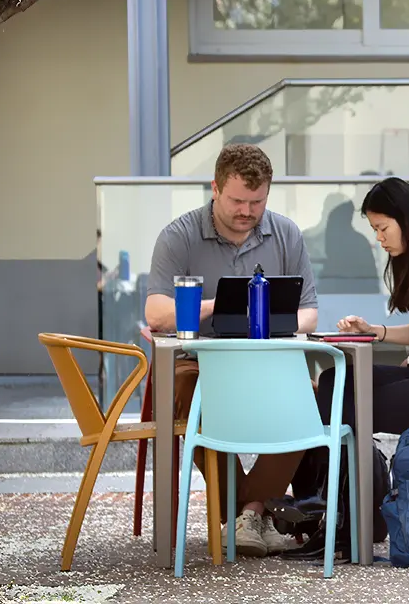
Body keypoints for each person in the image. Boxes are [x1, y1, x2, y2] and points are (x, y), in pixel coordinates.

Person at [276, 177, 409, 558]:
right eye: (374, 229)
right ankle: (345, 513)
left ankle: (343, 523)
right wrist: (374, 331)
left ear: (405, 220)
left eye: (382, 227)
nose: (379, 237)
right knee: (333, 381)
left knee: (352, 402)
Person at [144, 143, 318, 557]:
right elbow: (156, 312)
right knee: (192, 399)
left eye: (257, 202)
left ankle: (249, 513)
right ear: (215, 188)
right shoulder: (179, 235)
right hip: (199, 364)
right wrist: (217, 305)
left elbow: (309, 314)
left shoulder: (286, 233)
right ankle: (249, 515)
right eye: (238, 200)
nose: (248, 210)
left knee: (310, 399)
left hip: (267, 367)